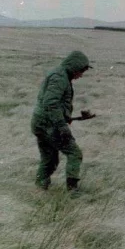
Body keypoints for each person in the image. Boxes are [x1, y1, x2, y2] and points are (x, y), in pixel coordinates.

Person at [30, 50, 92, 194]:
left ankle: (40, 187)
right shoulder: (60, 77)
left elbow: (53, 105)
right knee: (74, 153)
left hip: (41, 123)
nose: (81, 75)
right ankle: (73, 191)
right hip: (49, 125)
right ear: (74, 67)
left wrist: (74, 118)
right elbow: (51, 103)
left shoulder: (60, 75)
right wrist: (62, 127)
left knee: (50, 160)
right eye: (81, 71)